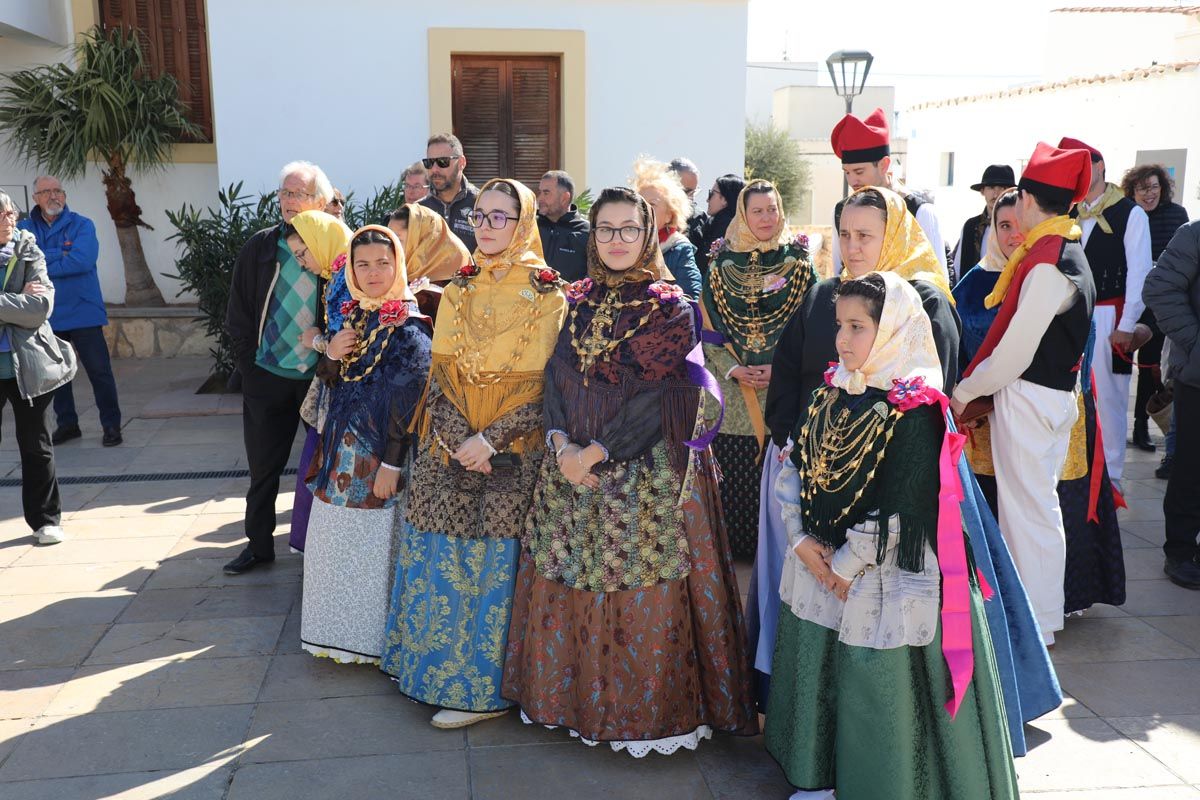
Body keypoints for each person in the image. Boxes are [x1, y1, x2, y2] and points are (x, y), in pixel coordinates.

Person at [759, 186, 1058, 756]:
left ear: (892, 234)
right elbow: (793, 372)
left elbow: (930, 395)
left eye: (865, 235)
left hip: (910, 486)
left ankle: (925, 746)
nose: (852, 246)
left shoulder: (922, 297)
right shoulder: (826, 294)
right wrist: (790, 439)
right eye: (844, 234)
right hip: (826, 469)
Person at [502, 186, 758, 755]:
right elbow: (557, 380)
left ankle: (640, 716)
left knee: (641, 583)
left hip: (645, 471)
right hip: (570, 464)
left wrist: (593, 455)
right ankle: (571, 704)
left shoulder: (670, 307)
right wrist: (561, 443)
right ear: (592, 237)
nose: (616, 240)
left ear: (648, 235)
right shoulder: (577, 298)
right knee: (569, 571)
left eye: (628, 229)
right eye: (605, 229)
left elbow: (659, 399)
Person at [766, 270, 1019, 800]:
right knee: (823, 670)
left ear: (893, 330)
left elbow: (904, 504)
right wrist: (799, 541)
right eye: (840, 325)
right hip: (822, 564)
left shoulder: (916, 409)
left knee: (877, 688)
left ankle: (888, 782)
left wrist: (842, 565)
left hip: (884, 573)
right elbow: (795, 468)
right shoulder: (830, 392)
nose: (842, 339)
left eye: (858, 327)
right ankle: (821, 776)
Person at [379, 178, 567, 728]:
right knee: (441, 554)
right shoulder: (458, 288)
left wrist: (490, 440)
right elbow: (439, 376)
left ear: (523, 221)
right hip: (449, 445)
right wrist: (460, 436)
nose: (485, 228)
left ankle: (478, 692)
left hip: (514, 451)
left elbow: (549, 388)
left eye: (499, 217)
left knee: (493, 564)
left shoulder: (550, 294)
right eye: (478, 217)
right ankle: (426, 670)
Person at [954, 189, 1126, 618]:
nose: (1014, 233)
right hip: (1016, 409)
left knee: (1032, 516)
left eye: (1020, 218)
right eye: (1003, 226)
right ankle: (1035, 615)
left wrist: (963, 394)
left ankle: (1037, 618)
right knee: (1031, 515)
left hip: (1032, 401)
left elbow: (1015, 353)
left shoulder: (1048, 264)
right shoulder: (1051, 255)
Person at [300, 225, 432, 662]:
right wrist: (331, 352)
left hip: (378, 457)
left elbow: (407, 403)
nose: (373, 273)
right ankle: (333, 636)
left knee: (373, 548)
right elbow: (332, 379)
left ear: (398, 265)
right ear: (351, 272)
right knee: (335, 542)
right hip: (341, 450)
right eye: (362, 265)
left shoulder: (409, 327)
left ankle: (370, 643)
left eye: (383, 263)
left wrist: (392, 464)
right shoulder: (353, 315)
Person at [223, 161, 334, 575]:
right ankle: (257, 545)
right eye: (284, 194)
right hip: (267, 377)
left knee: (322, 470)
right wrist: (249, 369)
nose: (289, 202)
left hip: (318, 382)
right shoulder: (261, 246)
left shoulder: (335, 248)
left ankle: (321, 549)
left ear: (320, 202)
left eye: (298, 194)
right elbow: (237, 313)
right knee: (262, 469)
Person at [702, 180, 817, 558]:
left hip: (784, 396)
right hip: (733, 397)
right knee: (734, 485)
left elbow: (813, 325)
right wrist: (732, 369)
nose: (766, 218)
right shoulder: (721, 265)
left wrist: (783, 368)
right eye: (757, 211)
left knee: (782, 484)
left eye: (772, 209)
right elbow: (707, 329)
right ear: (743, 214)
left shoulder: (799, 264)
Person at [1060, 137, 1151, 488]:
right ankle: (1078, 472)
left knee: (1110, 399)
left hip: (1110, 318)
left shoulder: (1131, 214)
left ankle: (1111, 478)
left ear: (1100, 167)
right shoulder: (1071, 213)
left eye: (1085, 166)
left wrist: (1127, 324)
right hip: (1073, 317)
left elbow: (1140, 272)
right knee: (1073, 395)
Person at [19, 176, 122, 447]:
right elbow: (22, 265)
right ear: (36, 198)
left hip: (84, 311)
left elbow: (82, 261)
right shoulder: (25, 228)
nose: (54, 197)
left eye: (58, 191)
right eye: (47, 192)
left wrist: (43, 261)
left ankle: (111, 425)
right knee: (57, 375)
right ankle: (68, 425)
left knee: (99, 372)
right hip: (47, 314)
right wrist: (59, 256)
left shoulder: (83, 225)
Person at [0, 191, 78, 545]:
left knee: (36, 445)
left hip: (27, 363)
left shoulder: (27, 247)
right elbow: (23, 304)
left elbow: (39, 306)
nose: (10, 221)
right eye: (2, 216)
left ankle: (46, 519)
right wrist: (14, 301)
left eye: (11, 213)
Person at [281, 210, 353, 555]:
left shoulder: (348, 275)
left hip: (349, 397)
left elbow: (352, 340)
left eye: (302, 253)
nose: (302, 262)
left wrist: (318, 342)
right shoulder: (337, 272)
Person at [1143, 219, 1200, 589]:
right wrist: (1197, 344)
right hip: (1197, 378)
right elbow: (1159, 288)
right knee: (1191, 467)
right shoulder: (1193, 235)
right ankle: (1179, 551)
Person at [1121, 164, 1190, 454]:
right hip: (1126, 298)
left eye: (1153, 187)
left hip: (1160, 302)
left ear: (1162, 188)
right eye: (1141, 188)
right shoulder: (1125, 214)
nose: (1148, 194)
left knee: (1151, 367)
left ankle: (1141, 426)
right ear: (1132, 191)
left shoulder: (1177, 215)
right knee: (1120, 364)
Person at [830, 108, 946, 276]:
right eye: (847, 172)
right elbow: (838, 272)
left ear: (884, 165)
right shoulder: (840, 212)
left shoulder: (921, 212)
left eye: (859, 171)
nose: (852, 181)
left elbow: (937, 282)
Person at [631, 157, 703, 298]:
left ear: (670, 215)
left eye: (652, 204)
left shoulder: (679, 248)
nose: (643, 209)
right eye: (639, 203)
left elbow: (691, 297)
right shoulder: (623, 241)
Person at [952, 164, 1015, 283]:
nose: (996, 194)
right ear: (982, 191)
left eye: (1002, 187)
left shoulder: (1020, 226)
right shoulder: (970, 226)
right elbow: (958, 269)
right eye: (991, 187)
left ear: (1011, 191)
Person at [419, 133, 478, 252]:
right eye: (429, 163)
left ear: (461, 162)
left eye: (442, 161)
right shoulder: (419, 210)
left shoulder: (481, 204)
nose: (435, 169)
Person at [536, 170, 590, 281]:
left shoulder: (587, 233)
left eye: (546, 193)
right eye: (540, 192)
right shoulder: (530, 227)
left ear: (564, 198)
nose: (539, 198)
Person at [692, 174, 745, 275]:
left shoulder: (727, 227)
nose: (707, 200)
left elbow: (703, 265)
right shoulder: (716, 223)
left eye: (711, 194)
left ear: (725, 200)